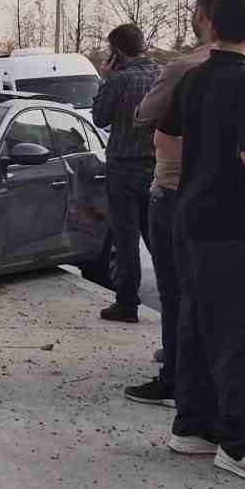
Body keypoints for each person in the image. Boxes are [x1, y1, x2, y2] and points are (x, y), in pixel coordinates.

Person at [126, 0, 245, 405]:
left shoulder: (198, 69)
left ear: (207, 18)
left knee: (185, 299)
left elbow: (152, 122)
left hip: (190, 194)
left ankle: (186, 391)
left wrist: (212, 163)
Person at [155, 0, 245, 485]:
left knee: (196, 322)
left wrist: (198, 170)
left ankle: (192, 427)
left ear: (209, 22)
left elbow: (165, 137)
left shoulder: (194, 76)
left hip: (190, 215)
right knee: (241, 331)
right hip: (233, 223)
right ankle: (240, 443)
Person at [91, 23, 161, 323]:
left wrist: (105, 80)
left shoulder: (119, 80)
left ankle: (127, 303)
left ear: (117, 52)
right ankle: (175, 297)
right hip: (157, 167)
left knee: (126, 238)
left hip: (123, 167)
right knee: (157, 237)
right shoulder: (163, 74)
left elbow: (100, 117)